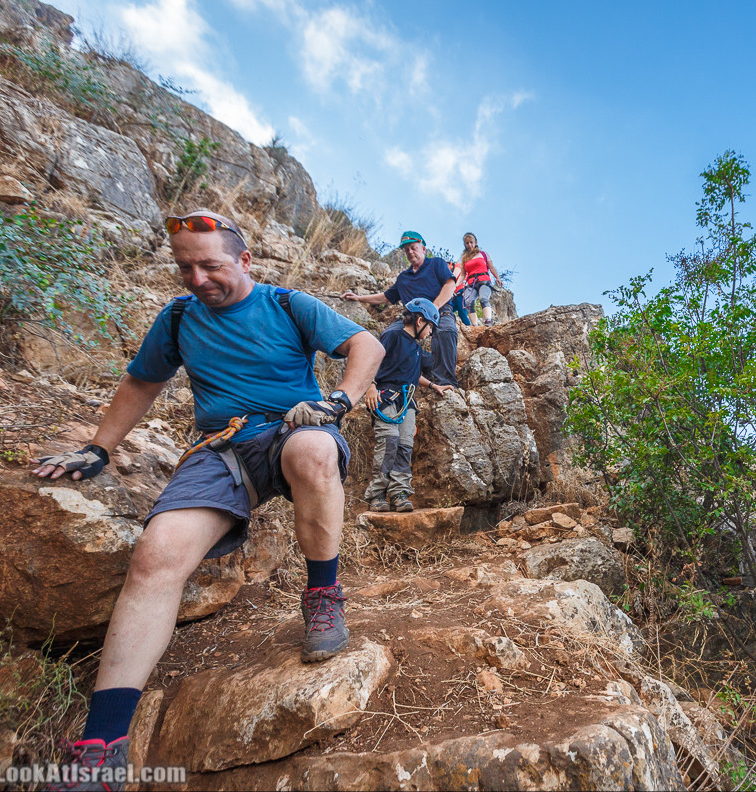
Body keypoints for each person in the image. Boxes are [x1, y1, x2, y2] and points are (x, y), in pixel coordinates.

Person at [33, 210, 383, 786]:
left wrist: (340, 400)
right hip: (221, 449)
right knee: (155, 554)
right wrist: (99, 449)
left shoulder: (286, 304)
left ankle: (323, 593)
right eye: (184, 267)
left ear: (245, 261)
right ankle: (102, 746)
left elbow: (365, 345)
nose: (196, 279)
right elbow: (142, 382)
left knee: (314, 453)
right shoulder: (178, 319)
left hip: (295, 428)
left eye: (210, 265)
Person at [364, 298, 451, 513]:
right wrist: (370, 386)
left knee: (404, 444)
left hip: (407, 401)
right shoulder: (392, 336)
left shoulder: (415, 348)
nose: (430, 332)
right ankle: (376, 494)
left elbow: (413, 374)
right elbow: (371, 360)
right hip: (384, 396)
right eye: (430, 326)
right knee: (389, 440)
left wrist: (433, 386)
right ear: (420, 320)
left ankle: (399, 493)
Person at [342, 231, 458, 386]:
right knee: (390, 333)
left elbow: (450, 285)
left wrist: (433, 308)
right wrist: (358, 298)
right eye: (406, 249)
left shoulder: (437, 263)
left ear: (423, 248)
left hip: (440, 311)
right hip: (411, 317)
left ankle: (445, 382)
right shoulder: (404, 278)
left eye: (413, 247)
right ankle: (381, 381)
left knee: (446, 331)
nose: (410, 251)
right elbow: (385, 297)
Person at [458, 232, 503, 326]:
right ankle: (474, 326)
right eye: (467, 243)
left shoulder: (483, 254)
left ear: (475, 243)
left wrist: (497, 278)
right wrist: (455, 284)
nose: (469, 245)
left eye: (471, 242)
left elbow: (491, 267)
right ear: (465, 245)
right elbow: (462, 274)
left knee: (483, 298)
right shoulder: (464, 258)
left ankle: (488, 321)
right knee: (468, 302)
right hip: (470, 283)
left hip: (484, 281)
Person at [446, 258, 472, 326]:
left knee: (462, 313)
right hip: (456, 295)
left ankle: (469, 328)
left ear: (450, 264)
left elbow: (454, 277)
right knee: (448, 309)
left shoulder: (458, 266)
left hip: (461, 292)